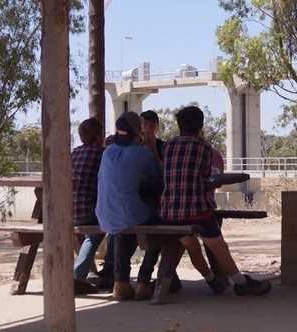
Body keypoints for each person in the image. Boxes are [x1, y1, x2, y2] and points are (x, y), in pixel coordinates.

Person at [160, 105, 271, 297]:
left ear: (179, 125)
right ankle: (240, 282)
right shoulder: (205, 149)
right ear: (201, 126)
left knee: (191, 245)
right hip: (197, 212)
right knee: (218, 245)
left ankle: (212, 280)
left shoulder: (168, 146)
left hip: (169, 213)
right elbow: (209, 180)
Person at [96, 111, 162, 301]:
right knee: (160, 228)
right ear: (138, 131)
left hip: (104, 214)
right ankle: (143, 281)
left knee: (124, 229)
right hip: (130, 214)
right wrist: (151, 148)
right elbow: (158, 178)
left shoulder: (107, 152)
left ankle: (121, 282)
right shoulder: (142, 153)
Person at [72, 117, 113, 294]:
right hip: (89, 211)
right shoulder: (102, 154)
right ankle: (78, 276)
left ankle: (91, 273)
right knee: (106, 227)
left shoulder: (74, 153)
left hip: (69, 210)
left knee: (100, 227)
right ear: (99, 136)